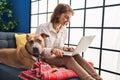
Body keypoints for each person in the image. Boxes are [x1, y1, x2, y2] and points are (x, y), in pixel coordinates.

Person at [36, 3, 103, 80]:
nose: (68, 21)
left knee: (76, 55)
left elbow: (59, 46)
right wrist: (52, 50)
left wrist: (65, 48)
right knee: (68, 59)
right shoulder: (43, 28)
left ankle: (98, 78)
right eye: (66, 17)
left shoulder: (64, 30)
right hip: (46, 58)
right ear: (58, 15)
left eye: (69, 18)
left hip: (58, 56)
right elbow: (38, 50)